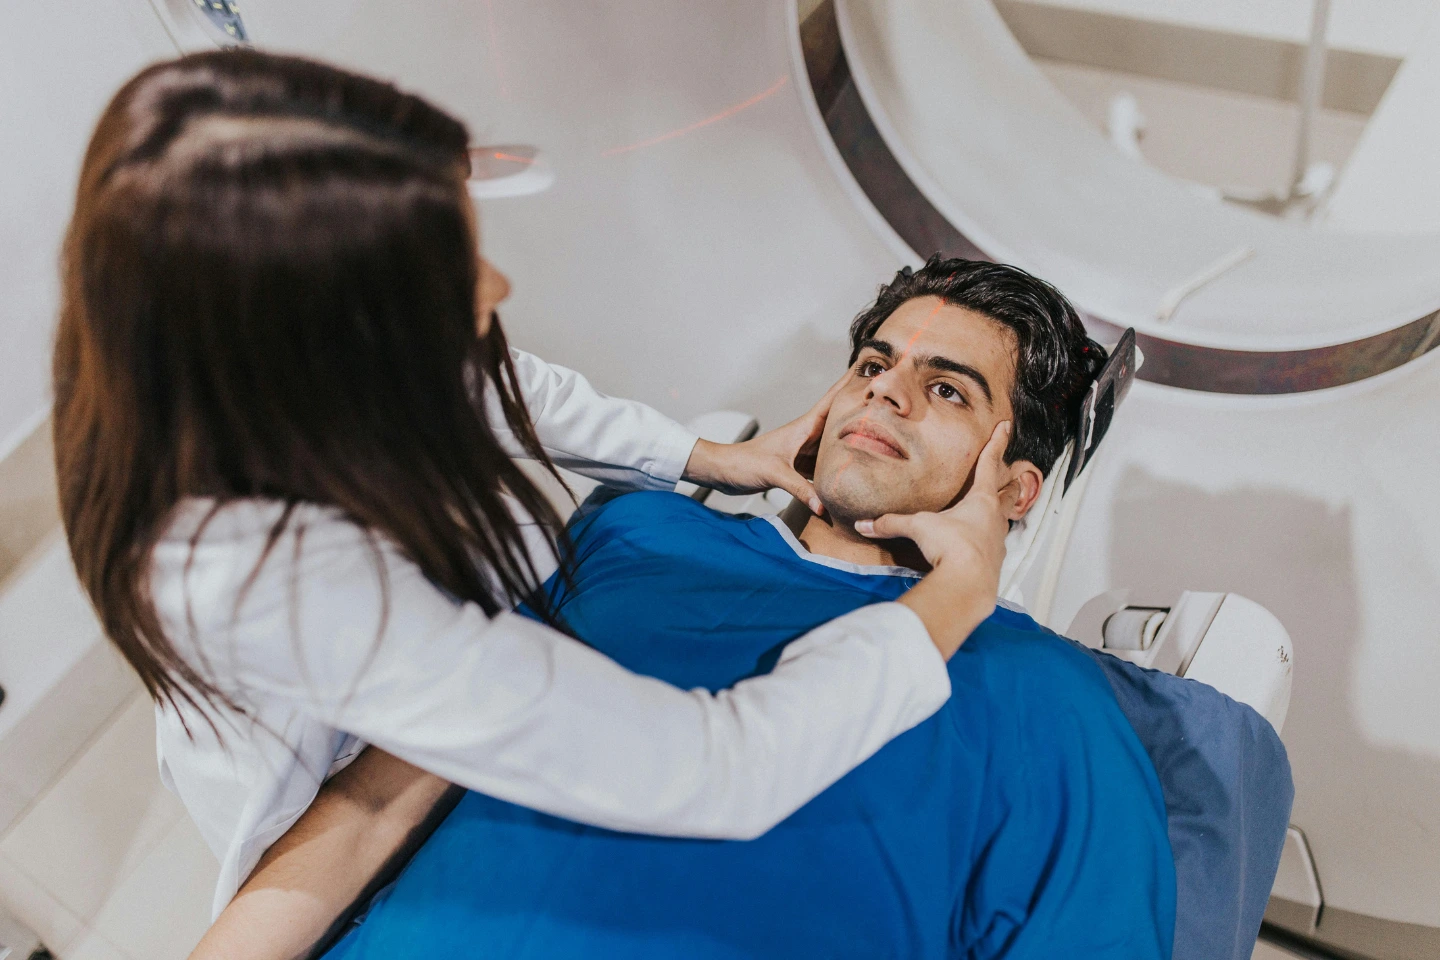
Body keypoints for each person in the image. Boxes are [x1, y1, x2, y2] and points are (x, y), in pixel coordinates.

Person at [54, 52, 1022, 920]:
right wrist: (955, 597)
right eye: (452, 275)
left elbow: (501, 382)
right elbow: (715, 768)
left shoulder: (243, 354)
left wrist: (703, 457)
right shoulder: (279, 581)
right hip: (357, 802)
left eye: (944, 388)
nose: (497, 289)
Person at [193, 258, 1187, 960]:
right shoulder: (638, 538)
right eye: (873, 365)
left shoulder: (1052, 703)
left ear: (1016, 487)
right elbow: (374, 807)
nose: (886, 394)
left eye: (948, 390)